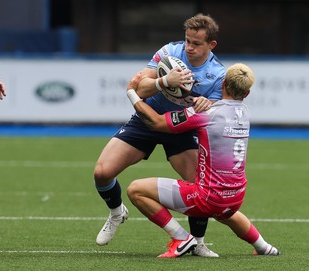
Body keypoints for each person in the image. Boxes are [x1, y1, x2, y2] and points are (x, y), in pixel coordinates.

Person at [93, 14, 225, 257]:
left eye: (196, 43)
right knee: (102, 172)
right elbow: (139, 88)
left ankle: (197, 242)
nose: (189, 47)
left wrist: (208, 103)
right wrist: (165, 80)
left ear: (211, 45)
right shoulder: (169, 52)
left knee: (199, 186)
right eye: (187, 41)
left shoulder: (217, 75)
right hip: (148, 119)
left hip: (182, 129)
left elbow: (215, 114)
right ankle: (116, 212)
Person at [125, 63, 280, 258]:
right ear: (247, 93)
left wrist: (132, 92)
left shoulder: (206, 113)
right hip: (236, 196)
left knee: (135, 190)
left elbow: (156, 123)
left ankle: (181, 237)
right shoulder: (245, 113)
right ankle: (264, 247)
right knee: (225, 211)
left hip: (208, 198)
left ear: (222, 83)